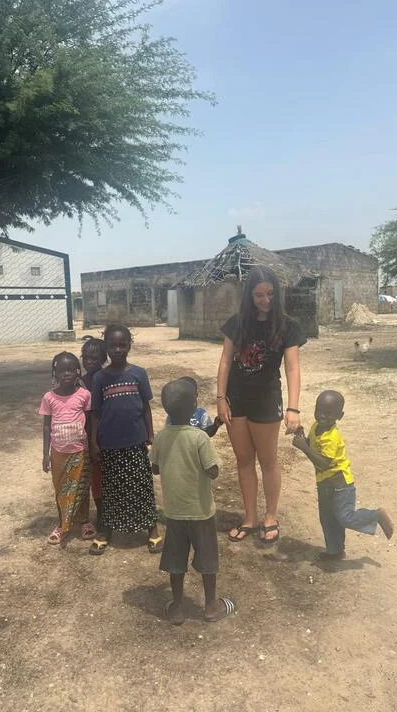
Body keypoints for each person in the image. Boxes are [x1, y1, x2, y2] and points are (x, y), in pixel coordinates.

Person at [217, 266, 306, 544]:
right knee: (244, 461)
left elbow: (292, 368)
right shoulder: (237, 323)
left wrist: (293, 407)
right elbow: (224, 362)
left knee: (268, 461)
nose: (266, 300)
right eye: (259, 295)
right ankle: (250, 518)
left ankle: (270, 516)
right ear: (249, 296)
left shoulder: (288, 326)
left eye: (270, 294)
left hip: (267, 400)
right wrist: (220, 399)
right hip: (236, 401)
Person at [151, 379, 236, 625]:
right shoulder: (199, 437)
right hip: (201, 512)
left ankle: (177, 607)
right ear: (193, 407)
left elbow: (155, 468)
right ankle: (210, 606)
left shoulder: (161, 438)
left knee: (176, 561)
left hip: (174, 513)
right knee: (208, 560)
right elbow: (213, 471)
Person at [292, 390, 394, 559]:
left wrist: (303, 447)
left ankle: (375, 516)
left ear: (340, 416)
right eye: (319, 411)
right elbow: (313, 446)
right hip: (324, 483)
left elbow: (323, 463)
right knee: (328, 518)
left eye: (328, 413)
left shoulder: (332, 437)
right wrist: (301, 436)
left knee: (345, 517)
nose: (322, 416)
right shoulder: (316, 427)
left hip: (340, 485)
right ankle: (335, 550)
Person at [89, 323, 162, 556]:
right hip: (109, 443)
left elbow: (146, 407)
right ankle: (106, 530)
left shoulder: (139, 373)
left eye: (122, 345)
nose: (118, 349)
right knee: (111, 489)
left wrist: (150, 434)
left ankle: (152, 529)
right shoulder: (100, 378)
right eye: (113, 345)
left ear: (130, 345)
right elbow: (95, 413)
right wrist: (93, 442)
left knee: (142, 486)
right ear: (106, 347)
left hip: (135, 441)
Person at [39, 352, 96, 545]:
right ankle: (62, 524)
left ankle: (84, 521)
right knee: (61, 489)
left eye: (71, 370)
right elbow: (46, 426)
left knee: (82, 488)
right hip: (58, 453)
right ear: (54, 373)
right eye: (62, 371)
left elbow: (91, 422)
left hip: (80, 451)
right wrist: (45, 454)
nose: (67, 374)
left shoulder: (84, 395)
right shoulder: (49, 398)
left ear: (78, 371)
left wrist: (93, 445)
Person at [80, 336, 107, 529]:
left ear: (103, 359)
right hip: (86, 436)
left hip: (106, 435)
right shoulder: (80, 383)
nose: (89, 362)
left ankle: (109, 512)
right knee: (94, 477)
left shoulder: (108, 378)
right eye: (86, 358)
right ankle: (100, 514)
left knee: (106, 476)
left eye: (94, 358)